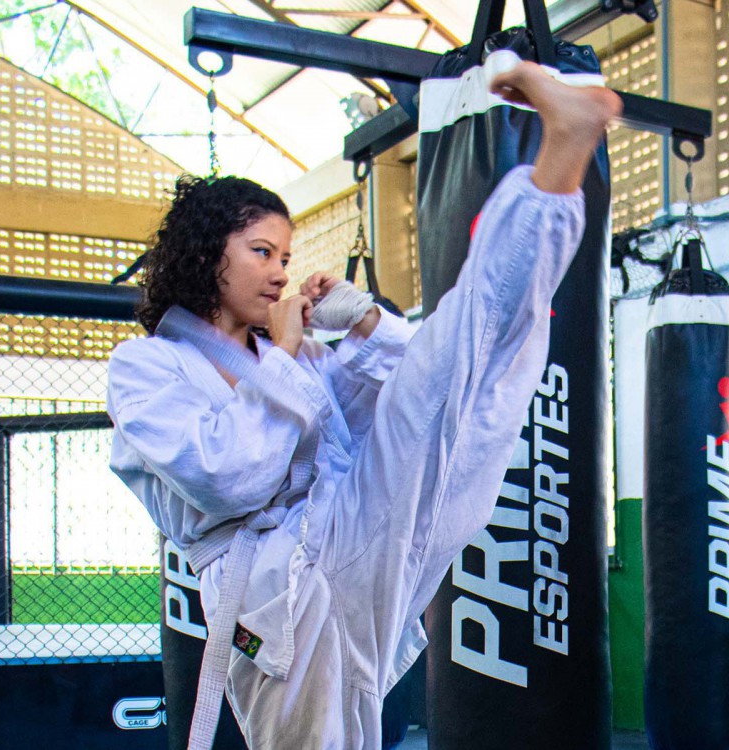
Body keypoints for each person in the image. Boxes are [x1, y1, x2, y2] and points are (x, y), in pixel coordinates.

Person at [107, 61, 621, 749]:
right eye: (262, 252)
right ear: (205, 256)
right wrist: (285, 353)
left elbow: (425, 389)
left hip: (353, 534)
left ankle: (559, 159)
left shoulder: (296, 356)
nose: (281, 273)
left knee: (464, 374)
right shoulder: (146, 365)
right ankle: (560, 155)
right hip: (267, 586)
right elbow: (227, 478)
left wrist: (363, 321)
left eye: (285, 256)